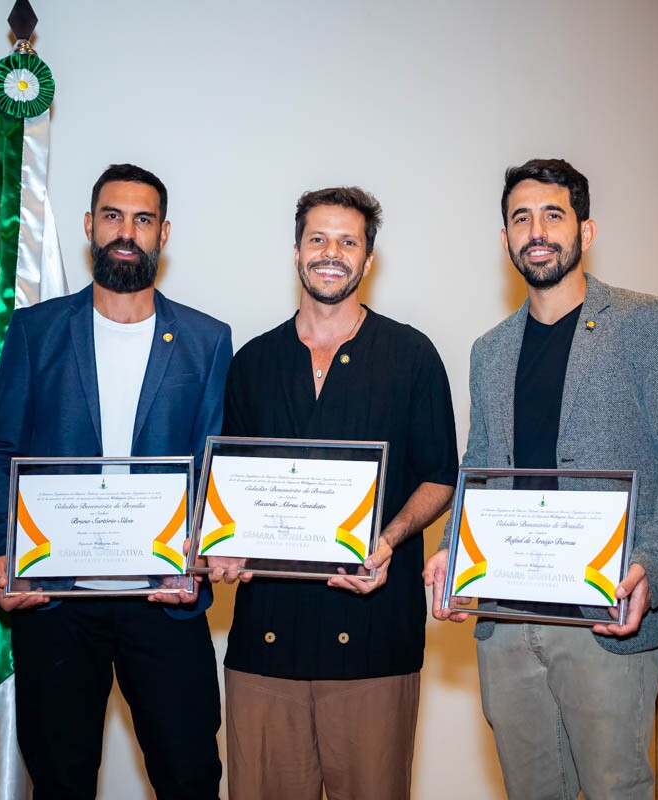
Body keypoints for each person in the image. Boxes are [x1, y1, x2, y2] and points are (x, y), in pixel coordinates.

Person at [424, 159, 658, 799]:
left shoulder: (646, 321)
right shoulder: (490, 348)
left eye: (553, 215)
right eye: (521, 218)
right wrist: (452, 546)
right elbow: (481, 464)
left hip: (606, 614)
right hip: (505, 615)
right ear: (504, 238)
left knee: (615, 789)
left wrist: (650, 560)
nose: (537, 231)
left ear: (585, 230)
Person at [0, 163, 231, 799]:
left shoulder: (206, 341)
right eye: (113, 216)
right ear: (90, 226)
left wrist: (197, 557)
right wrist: (5, 552)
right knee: (60, 780)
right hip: (58, 601)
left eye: (142, 219)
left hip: (165, 600)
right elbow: (0, 448)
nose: (127, 231)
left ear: (163, 233)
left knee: (190, 775)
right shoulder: (37, 332)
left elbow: (213, 468)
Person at [214, 186, 458, 799]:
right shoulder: (253, 361)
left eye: (348, 241)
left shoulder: (412, 356)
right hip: (264, 640)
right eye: (318, 239)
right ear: (296, 251)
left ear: (368, 260)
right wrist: (221, 542)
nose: (332, 252)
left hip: (376, 635)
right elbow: (229, 487)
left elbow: (441, 476)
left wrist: (392, 536)